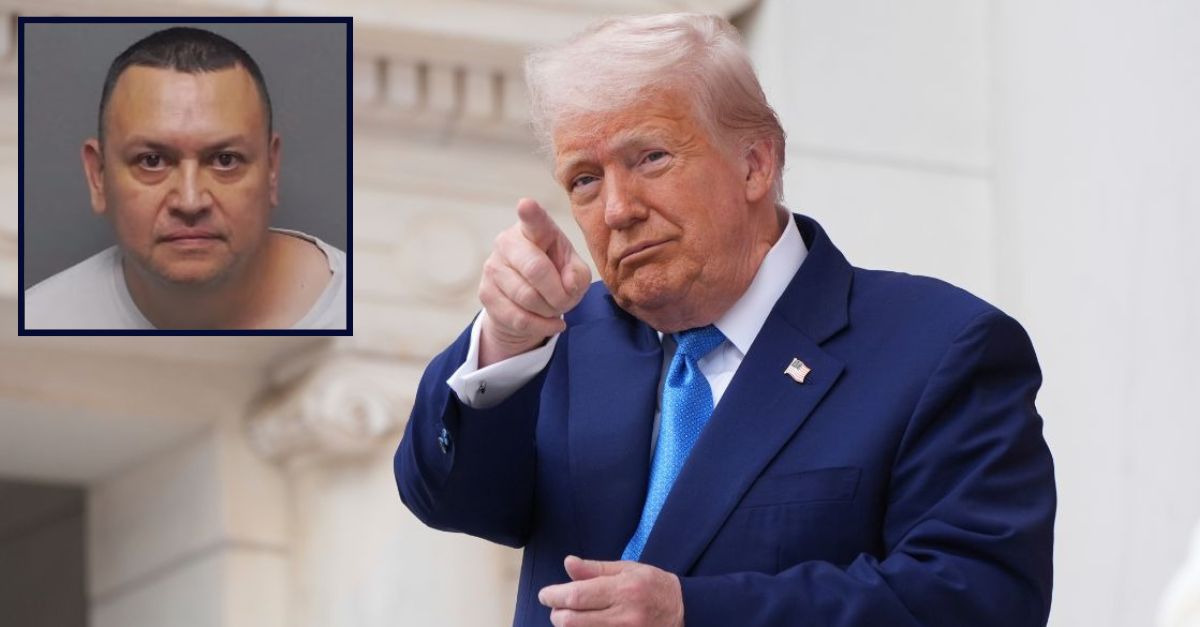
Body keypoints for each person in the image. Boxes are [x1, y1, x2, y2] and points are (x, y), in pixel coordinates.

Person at [396, 13, 1055, 627]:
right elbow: (443, 495)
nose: (618, 208)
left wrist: (695, 611)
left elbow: (978, 598)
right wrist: (505, 341)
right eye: (585, 180)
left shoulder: (939, 348)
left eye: (650, 157)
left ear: (754, 164)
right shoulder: (562, 337)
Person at [24, 26, 346, 330]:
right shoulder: (32, 328)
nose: (190, 202)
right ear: (98, 176)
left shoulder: (372, 321)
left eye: (225, 160)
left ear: (271, 169)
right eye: (151, 161)